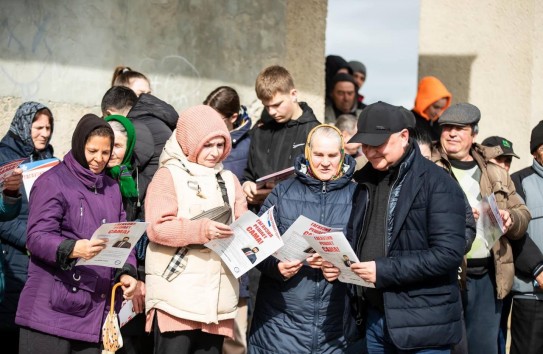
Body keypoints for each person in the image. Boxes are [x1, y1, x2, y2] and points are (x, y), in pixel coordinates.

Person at [325, 101, 467, 352]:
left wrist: (384, 270)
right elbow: (357, 238)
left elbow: (448, 254)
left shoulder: (438, 183)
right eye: (365, 144)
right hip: (375, 319)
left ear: (403, 137)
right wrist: (339, 265)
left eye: (377, 143)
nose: (369, 151)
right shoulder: (363, 182)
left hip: (423, 325)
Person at [15, 113, 137, 353]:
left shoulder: (112, 189)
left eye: (105, 152)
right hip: (49, 312)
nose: (99, 159)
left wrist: (127, 273)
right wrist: (72, 248)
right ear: (79, 144)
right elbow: (37, 236)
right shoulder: (53, 181)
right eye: (92, 151)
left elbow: (123, 237)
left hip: (93, 311)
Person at [144, 105, 248, 354]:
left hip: (218, 301)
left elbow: (244, 224)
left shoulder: (230, 180)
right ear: (191, 142)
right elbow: (157, 227)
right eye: (207, 145)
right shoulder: (168, 175)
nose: (214, 153)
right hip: (176, 298)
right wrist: (202, 231)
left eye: (219, 145)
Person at [248, 124, 357, 354]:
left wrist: (341, 269)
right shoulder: (283, 192)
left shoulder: (358, 195)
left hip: (336, 327)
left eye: (332, 155)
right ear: (308, 153)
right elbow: (254, 247)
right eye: (318, 155)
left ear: (342, 155)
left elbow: (367, 253)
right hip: (280, 325)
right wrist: (278, 267)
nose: (325, 162)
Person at [433, 103, 530, 354]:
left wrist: (511, 218)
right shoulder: (428, 168)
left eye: (460, 128)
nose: (452, 133)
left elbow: (522, 213)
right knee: (448, 348)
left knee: (484, 348)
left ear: (473, 134)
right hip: (444, 276)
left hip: (488, 275)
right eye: (447, 128)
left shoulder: (495, 172)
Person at [0, 101, 55, 352]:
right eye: (38, 127)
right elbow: (4, 218)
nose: (44, 133)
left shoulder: (51, 159)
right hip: (12, 255)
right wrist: (33, 239)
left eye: (48, 127)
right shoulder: (4, 158)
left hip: (40, 258)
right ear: (24, 125)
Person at [204, 85, 253, 354]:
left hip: (235, 244)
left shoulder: (249, 143)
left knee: (234, 336)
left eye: (219, 119)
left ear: (233, 117)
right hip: (205, 245)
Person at [242, 65, 319, 207]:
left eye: (277, 104)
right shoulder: (260, 133)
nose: (271, 112)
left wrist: (277, 193)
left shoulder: (316, 133)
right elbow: (248, 175)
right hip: (261, 217)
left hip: (299, 218)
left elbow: (322, 186)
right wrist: (247, 185)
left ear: (293, 94)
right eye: (266, 106)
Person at [509, 121, 543, 354]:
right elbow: (513, 233)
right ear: (536, 150)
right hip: (532, 295)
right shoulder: (517, 181)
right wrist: (539, 270)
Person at [412, 76, 452, 142]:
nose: (438, 112)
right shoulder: (410, 121)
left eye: (442, 108)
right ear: (425, 102)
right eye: (436, 107)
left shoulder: (440, 124)